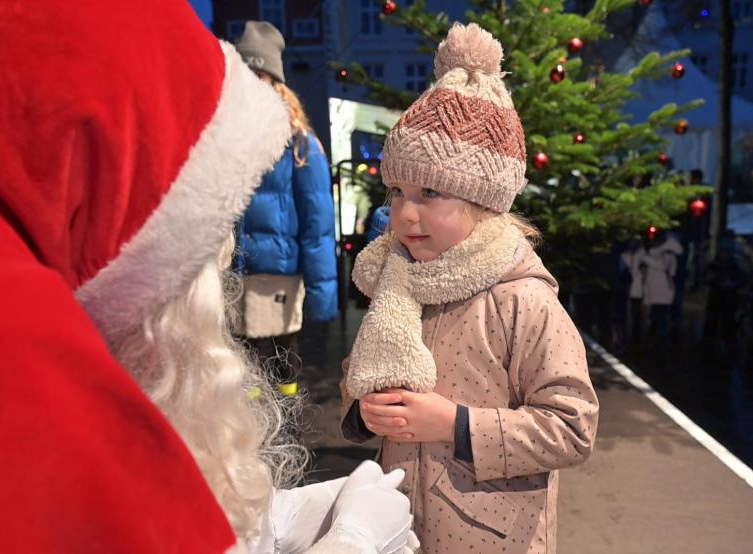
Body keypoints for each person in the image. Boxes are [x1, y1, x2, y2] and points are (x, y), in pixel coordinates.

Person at [0, 2, 416, 552]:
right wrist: (353, 540)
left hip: (249, 270)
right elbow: (315, 220)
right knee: (271, 363)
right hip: (253, 271)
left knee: (257, 364)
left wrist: (270, 518)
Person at [337, 23, 599, 553]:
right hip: (403, 525)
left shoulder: (522, 301)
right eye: (398, 190)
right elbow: (360, 374)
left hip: (493, 538)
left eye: (430, 192)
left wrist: (456, 424)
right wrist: (361, 410)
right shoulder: (401, 283)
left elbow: (572, 428)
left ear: (483, 201)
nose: (404, 212)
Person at [233, 21, 338, 397]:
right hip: (234, 274)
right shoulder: (225, 137)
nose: (251, 86)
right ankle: (252, 430)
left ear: (275, 81)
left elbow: (318, 223)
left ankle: (287, 422)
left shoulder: (300, 146)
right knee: (241, 363)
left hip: (278, 274)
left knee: (280, 358)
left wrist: (323, 296)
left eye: (259, 75)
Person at [641, 231, 683, 340]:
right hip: (656, 292)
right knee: (655, 316)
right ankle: (656, 337)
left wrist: (647, 259)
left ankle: (662, 338)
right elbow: (648, 278)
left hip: (664, 293)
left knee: (661, 317)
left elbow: (663, 267)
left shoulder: (669, 256)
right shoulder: (654, 255)